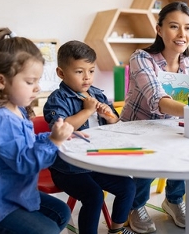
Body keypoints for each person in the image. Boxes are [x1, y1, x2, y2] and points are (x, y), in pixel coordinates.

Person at [0, 27, 74, 233]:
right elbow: (25, 163)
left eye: (38, 81)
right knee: (48, 230)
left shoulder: (16, 109)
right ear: (1, 81)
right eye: (30, 82)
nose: (37, 88)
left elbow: (26, 144)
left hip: (11, 192)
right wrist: (54, 141)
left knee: (60, 212)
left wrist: (54, 136)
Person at [120, 1, 189, 233]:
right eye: (174, 26)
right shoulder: (141, 58)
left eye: (188, 27)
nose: (182, 34)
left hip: (169, 127)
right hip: (137, 129)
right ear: (159, 29)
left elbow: (187, 102)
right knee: (148, 158)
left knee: (186, 148)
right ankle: (136, 205)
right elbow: (157, 99)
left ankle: (173, 199)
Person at [43, 40, 136, 234]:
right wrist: (87, 112)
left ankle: (117, 229)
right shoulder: (56, 99)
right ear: (61, 73)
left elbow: (115, 121)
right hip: (68, 168)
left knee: (128, 185)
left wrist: (107, 115)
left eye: (91, 71)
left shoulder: (97, 95)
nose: (87, 77)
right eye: (79, 72)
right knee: (94, 196)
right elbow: (62, 129)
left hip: (97, 162)